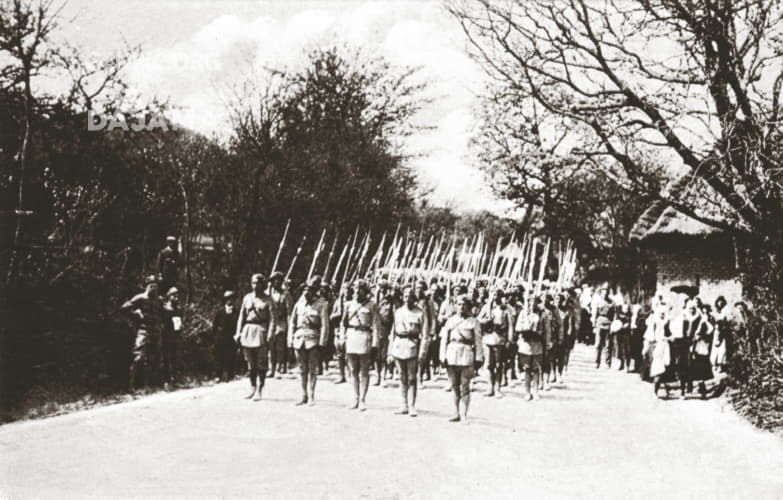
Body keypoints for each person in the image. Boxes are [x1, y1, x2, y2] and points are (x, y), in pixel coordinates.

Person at [440, 294, 484, 422]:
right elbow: (444, 340)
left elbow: (478, 341)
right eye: (459, 304)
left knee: (465, 386)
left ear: (468, 306)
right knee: (454, 386)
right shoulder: (450, 321)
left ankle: (464, 414)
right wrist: (442, 355)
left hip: (466, 355)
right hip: (452, 353)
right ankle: (456, 412)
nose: (461, 307)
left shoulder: (474, 322)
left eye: (464, 304)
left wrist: (478, 358)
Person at [388, 285, 428, 416]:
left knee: (411, 378)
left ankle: (412, 405)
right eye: (405, 296)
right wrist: (390, 351)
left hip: (412, 346)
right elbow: (393, 333)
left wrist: (422, 352)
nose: (407, 299)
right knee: (401, 377)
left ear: (414, 298)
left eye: (410, 296)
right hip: (399, 345)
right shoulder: (398, 312)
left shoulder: (420, 313)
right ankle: (403, 404)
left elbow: (425, 335)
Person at [289, 277, 330, 406]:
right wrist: (289, 339)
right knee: (302, 369)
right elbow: (292, 323)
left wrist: (322, 342)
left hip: (313, 339)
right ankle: (303, 395)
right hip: (299, 338)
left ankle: (311, 395)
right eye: (304, 290)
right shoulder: (299, 304)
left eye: (309, 291)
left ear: (314, 292)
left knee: (312, 369)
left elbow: (324, 325)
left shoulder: (321, 305)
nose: (306, 293)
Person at [120, 275, 164, 393]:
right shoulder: (139, 298)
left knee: (152, 359)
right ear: (146, 286)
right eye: (151, 285)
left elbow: (164, 314)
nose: (153, 288)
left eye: (155, 286)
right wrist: (135, 313)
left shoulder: (159, 301)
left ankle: (146, 385)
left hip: (155, 332)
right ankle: (131, 386)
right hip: (143, 331)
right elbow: (124, 308)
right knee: (138, 357)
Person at [342, 280, 381, 411]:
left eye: (360, 289)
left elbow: (376, 325)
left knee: (364, 370)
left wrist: (375, 343)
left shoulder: (372, 305)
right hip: (351, 336)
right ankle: (355, 397)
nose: (357, 291)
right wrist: (343, 337)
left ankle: (363, 399)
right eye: (355, 289)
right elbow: (344, 323)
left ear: (366, 291)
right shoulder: (348, 304)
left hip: (364, 336)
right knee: (353, 370)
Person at [235, 273, 274, 401]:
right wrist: (238, 332)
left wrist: (270, 334)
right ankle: (252, 388)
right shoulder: (247, 298)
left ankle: (260, 390)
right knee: (251, 364)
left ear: (263, 284)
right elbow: (241, 316)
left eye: (257, 283)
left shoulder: (268, 300)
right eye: (253, 283)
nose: (255, 286)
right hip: (248, 330)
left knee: (261, 364)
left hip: (261, 331)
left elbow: (273, 319)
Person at [477, 288, 513, 397]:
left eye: (497, 294)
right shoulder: (486, 308)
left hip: (500, 339)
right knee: (488, 364)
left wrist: (509, 340)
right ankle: (489, 387)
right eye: (493, 294)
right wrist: (485, 321)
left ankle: (497, 388)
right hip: (488, 338)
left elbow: (510, 326)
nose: (494, 296)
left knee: (499, 364)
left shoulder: (505, 309)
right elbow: (478, 319)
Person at [514, 298, 544, 401]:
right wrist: (524, 328)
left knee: (536, 369)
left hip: (537, 344)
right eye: (529, 302)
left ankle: (535, 391)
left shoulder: (541, 313)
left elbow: (547, 329)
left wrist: (547, 341)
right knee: (527, 369)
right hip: (525, 345)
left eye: (534, 302)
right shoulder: (523, 314)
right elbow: (517, 328)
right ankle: (527, 391)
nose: (531, 304)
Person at [685, 300, 713, 398]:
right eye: (690, 308)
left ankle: (701, 386)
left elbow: (709, 329)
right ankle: (689, 386)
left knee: (698, 363)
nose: (691, 310)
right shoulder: (685, 318)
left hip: (698, 344)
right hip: (687, 343)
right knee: (688, 364)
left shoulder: (699, 318)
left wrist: (701, 336)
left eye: (693, 308)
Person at [644, 306, 673, 398]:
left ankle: (666, 387)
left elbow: (672, 335)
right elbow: (649, 337)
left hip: (666, 347)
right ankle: (655, 392)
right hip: (657, 347)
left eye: (663, 313)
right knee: (658, 369)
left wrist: (668, 338)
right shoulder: (654, 323)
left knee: (666, 368)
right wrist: (646, 348)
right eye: (660, 313)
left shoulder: (668, 323)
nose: (662, 315)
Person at [268, 271, 292, 378]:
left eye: (278, 280)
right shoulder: (268, 294)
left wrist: (290, 325)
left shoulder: (285, 294)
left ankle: (280, 366)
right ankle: (271, 368)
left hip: (281, 321)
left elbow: (289, 311)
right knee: (270, 345)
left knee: (280, 345)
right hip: (270, 321)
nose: (276, 282)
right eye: (274, 280)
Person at [212, 290, 239, 382]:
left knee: (230, 356)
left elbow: (238, 325)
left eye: (231, 299)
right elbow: (215, 325)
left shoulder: (236, 312)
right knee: (219, 357)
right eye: (227, 299)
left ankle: (230, 375)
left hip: (231, 337)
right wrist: (214, 337)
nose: (229, 301)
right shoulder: (220, 312)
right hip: (220, 337)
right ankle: (218, 375)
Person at [161, 286, 183, 389]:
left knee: (174, 358)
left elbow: (179, 320)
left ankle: (174, 380)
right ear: (169, 296)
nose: (176, 297)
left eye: (177, 295)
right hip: (165, 335)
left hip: (175, 336)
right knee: (166, 359)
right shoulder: (164, 307)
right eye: (174, 295)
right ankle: (166, 381)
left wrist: (181, 326)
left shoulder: (177, 308)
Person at [593, 288, 614, 368]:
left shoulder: (611, 303)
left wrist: (613, 324)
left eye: (606, 293)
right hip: (600, 322)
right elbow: (595, 314)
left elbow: (614, 314)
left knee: (608, 344)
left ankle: (607, 362)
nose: (604, 295)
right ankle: (597, 362)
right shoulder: (598, 302)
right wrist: (594, 325)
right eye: (603, 293)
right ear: (601, 294)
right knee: (598, 343)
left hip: (608, 322)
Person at [614, 296, 632, 371]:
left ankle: (627, 366)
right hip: (619, 331)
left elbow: (631, 320)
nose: (625, 300)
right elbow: (616, 319)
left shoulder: (630, 311)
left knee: (627, 348)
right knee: (619, 348)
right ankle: (621, 364)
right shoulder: (618, 309)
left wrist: (628, 324)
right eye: (624, 299)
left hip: (626, 332)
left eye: (627, 299)